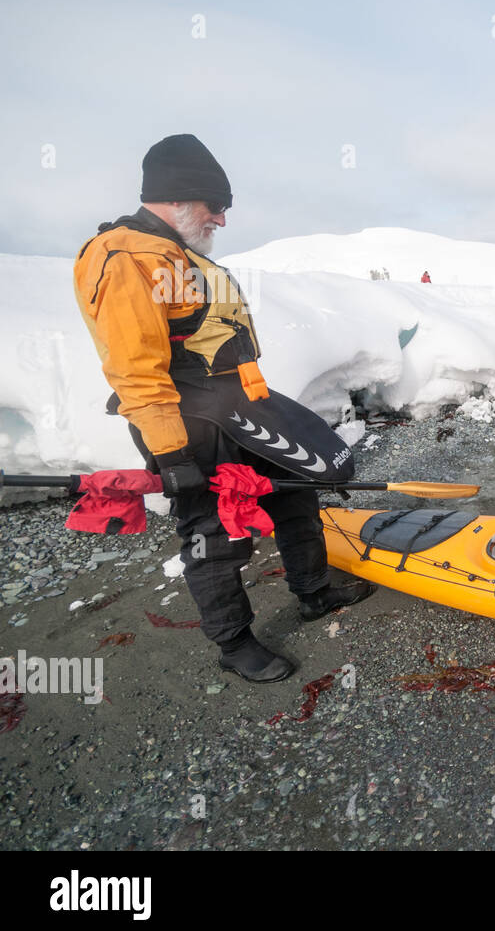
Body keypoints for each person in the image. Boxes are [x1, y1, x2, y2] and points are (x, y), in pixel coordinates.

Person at [72, 134, 375, 684]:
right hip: (188, 423)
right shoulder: (122, 257)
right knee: (214, 532)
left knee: (296, 493)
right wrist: (171, 453)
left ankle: (314, 592)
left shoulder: (177, 253)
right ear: (178, 198)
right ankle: (234, 644)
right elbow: (134, 366)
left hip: (241, 407)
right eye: (216, 207)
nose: (222, 220)